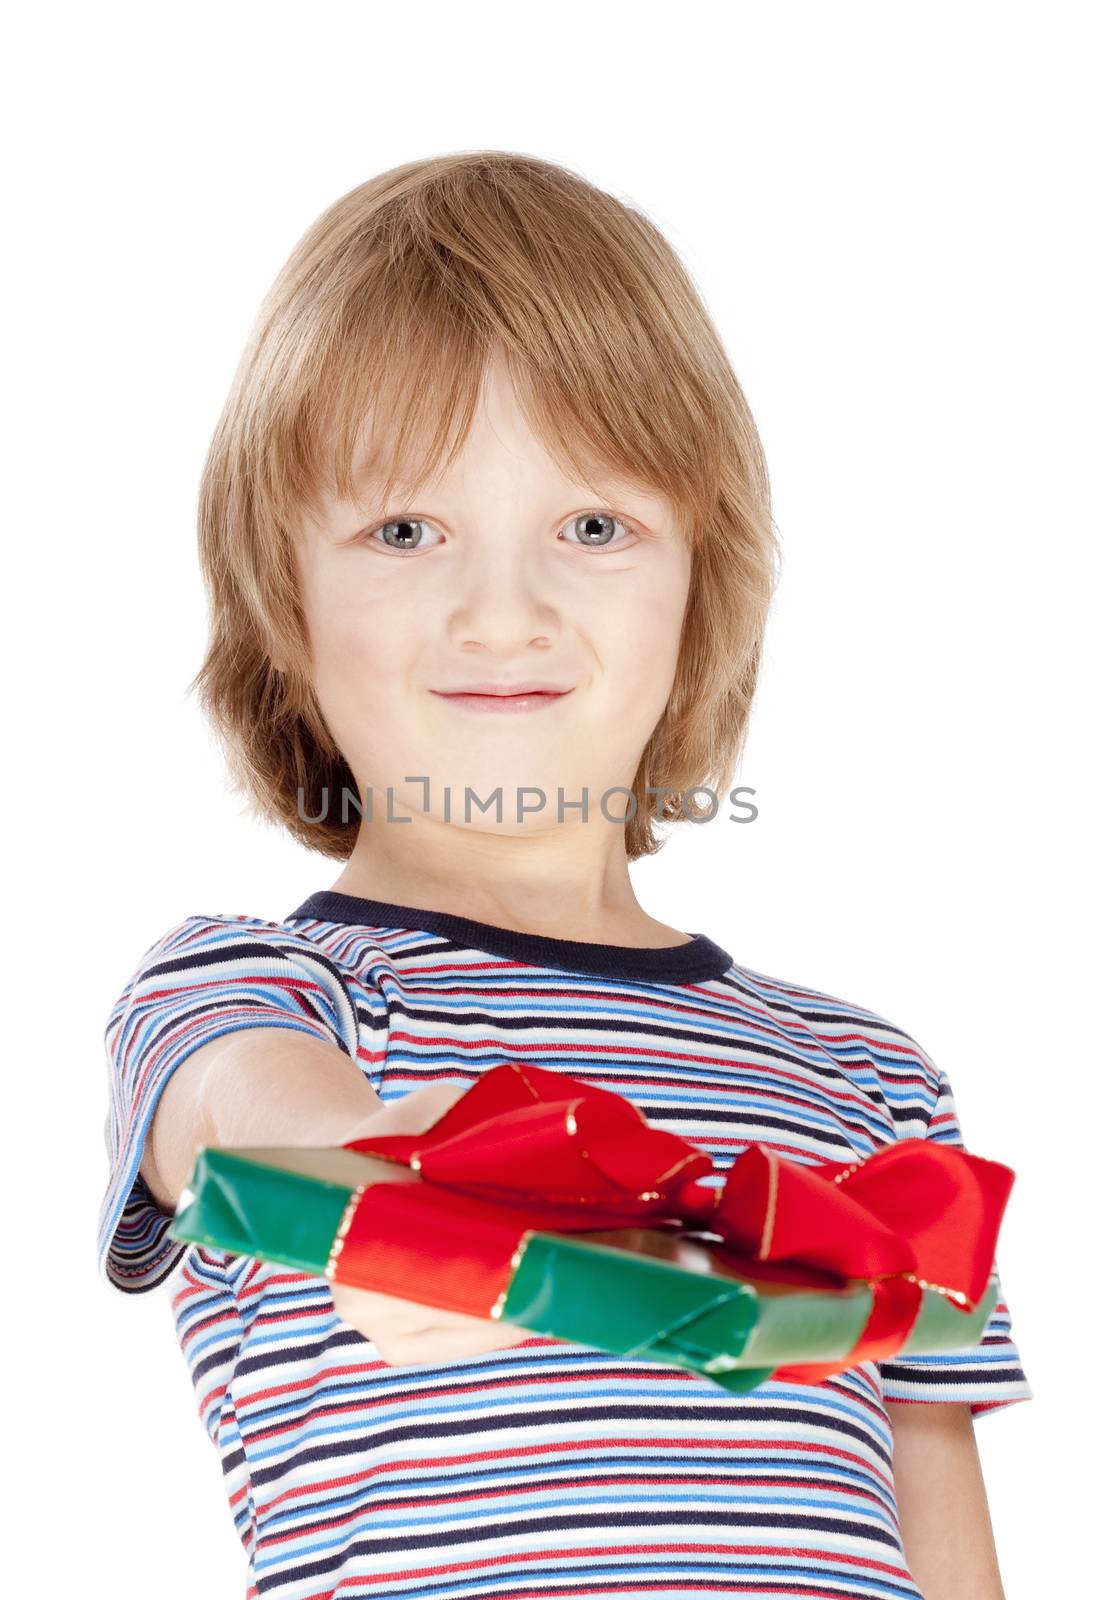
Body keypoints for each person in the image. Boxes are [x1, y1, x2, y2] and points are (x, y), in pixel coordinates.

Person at [97, 150, 1030, 1600]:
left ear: (696, 586)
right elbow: (243, 1122)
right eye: (406, 531)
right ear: (282, 605)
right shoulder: (267, 990)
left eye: (593, 528)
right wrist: (395, 1189)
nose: (502, 613)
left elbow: (945, 1531)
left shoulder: (872, 1081)